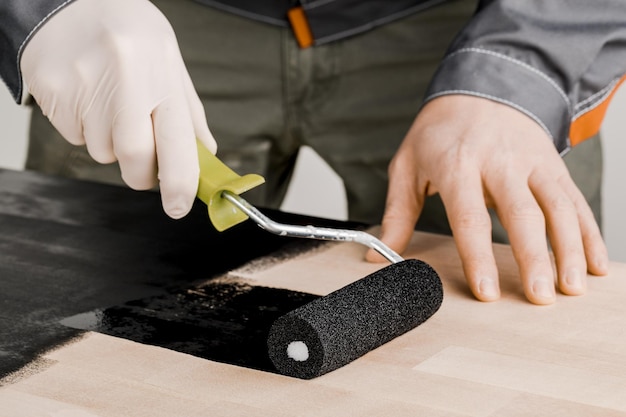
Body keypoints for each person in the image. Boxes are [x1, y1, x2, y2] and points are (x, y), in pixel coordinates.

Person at [1, 0, 625, 305]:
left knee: (506, 300)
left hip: (469, 25)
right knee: (90, 309)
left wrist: (516, 70)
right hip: (155, 21)